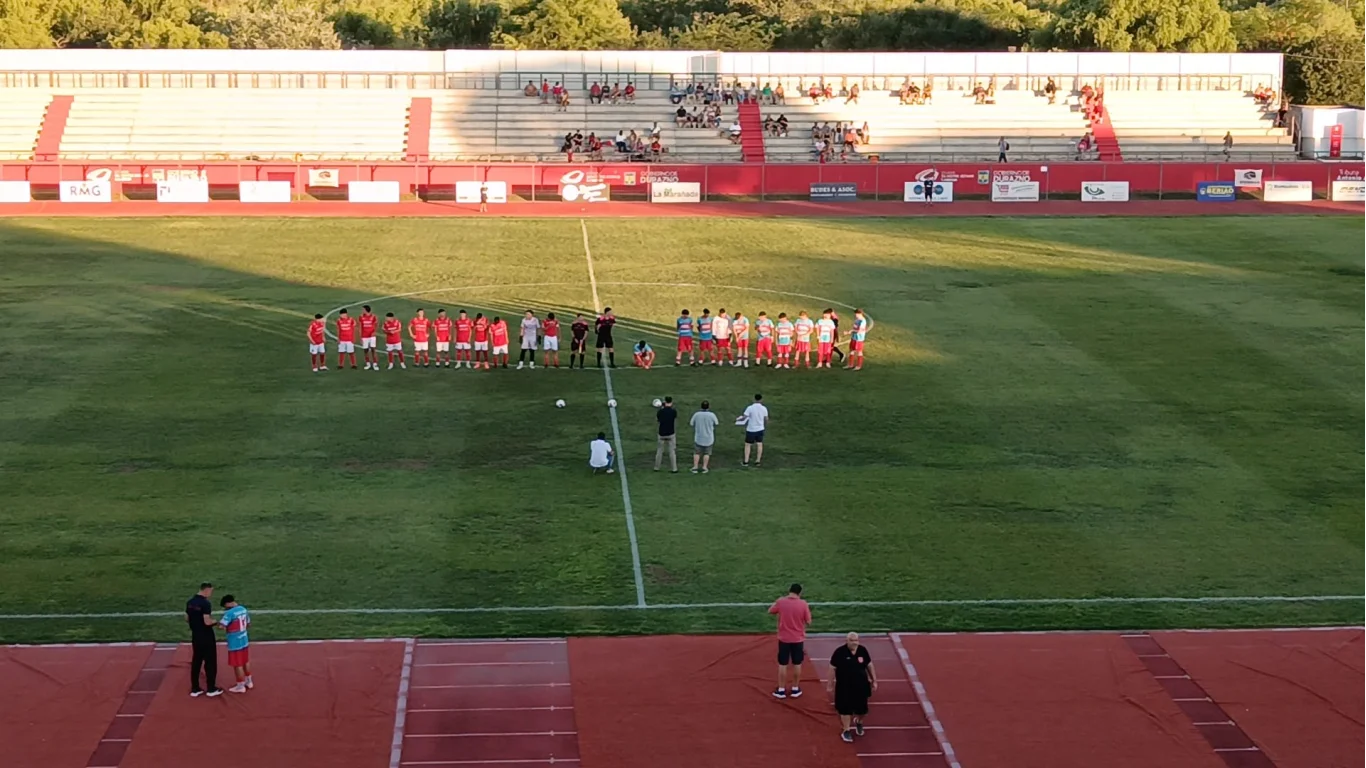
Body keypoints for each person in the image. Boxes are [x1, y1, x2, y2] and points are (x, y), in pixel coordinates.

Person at [828, 632, 877, 742]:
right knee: (845, 709)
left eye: (856, 640)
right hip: (844, 686)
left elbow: (869, 665)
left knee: (862, 710)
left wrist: (874, 680)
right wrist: (830, 684)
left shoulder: (862, 651)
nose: (854, 643)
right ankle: (846, 730)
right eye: (852, 640)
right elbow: (832, 668)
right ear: (847, 641)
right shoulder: (839, 652)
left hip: (861, 685)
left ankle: (859, 722)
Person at [768, 583, 811, 699]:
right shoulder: (803, 604)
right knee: (797, 663)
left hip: (784, 638)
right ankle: (795, 688)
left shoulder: (781, 601)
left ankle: (781, 689)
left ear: (789, 590)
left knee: (783, 664)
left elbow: (770, 611)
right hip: (798, 639)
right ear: (800, 592)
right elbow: (808, 621)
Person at [187, 582, 223, 697]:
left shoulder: (190, 602)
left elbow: (187, 618)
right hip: (206, 636)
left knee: (196, 662)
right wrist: (216, 621)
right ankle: (211, 688)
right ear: (206, 590)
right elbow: (207, 621)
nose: (211, 594)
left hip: (196, 636)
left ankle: (195, 688)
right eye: (211, 591)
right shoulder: (205, 603)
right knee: (210, 662)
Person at [219, 594, 253, 694]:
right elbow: (249, 624)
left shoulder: (229, 613)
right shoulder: (243, 609)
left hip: (234, 642)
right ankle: (249, 681)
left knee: (237, 664)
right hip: (244, 639)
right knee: (245, 661)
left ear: (227, 603)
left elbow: (222, 626)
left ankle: (240, 685)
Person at [689, 400, 720, 473]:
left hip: (699, 437)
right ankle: (704, 467)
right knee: (707, 453)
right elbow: (716, 423)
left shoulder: (697, 414)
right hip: (709, 438)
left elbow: (691, 423)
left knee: (697, 453)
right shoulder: (712, 415)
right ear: (708, 407)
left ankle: (695, 467)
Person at [740, 393, 769, 467]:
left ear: (754, 399)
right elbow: (766, 419)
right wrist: (764, 425)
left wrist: (739, 419)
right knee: (759, 444)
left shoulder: (750, 408)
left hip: (751, 429)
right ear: (761, 400)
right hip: (760, 429)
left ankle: (746, 461)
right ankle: (758, 461)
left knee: (748, 445)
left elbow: (744, 417)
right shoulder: (764, 408)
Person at [654, 396, 678, 472]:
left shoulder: (660, 411)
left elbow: (658, 419)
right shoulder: (673, 411)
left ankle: (656, 467)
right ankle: (674, 468)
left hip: (661, 433)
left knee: (659, 451)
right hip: (671, 433)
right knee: (672, 451)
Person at [359, 305, 379, 371]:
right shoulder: (361, 317)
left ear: (366, 310)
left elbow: (376, 325)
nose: (362, 311)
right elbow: (360, 327)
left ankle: (375, 364)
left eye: (363, 309)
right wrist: (361, 337)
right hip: (365, 336)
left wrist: (374, 332)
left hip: (372, 336)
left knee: (373, 350)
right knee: (365, 350)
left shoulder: (373, 317)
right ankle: (368, 364)